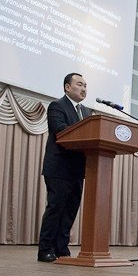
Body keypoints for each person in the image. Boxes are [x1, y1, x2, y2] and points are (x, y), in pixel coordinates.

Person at [37, 73, 91, 263]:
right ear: (67, 87)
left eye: (85, 85)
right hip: (59, 168)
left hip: (77, 170)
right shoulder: (57, 106)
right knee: (56, 209)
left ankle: (61, 248)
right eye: (79, 84)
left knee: (70, 211)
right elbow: (60, 130)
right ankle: (45, 249)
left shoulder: (87, 112)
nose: (83, 88)